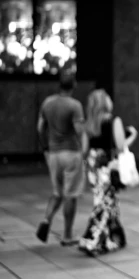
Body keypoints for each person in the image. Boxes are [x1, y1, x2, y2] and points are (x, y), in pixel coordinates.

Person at [78, 89, 137, 256]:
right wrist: (132, 135)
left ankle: (114, 237)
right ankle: (92, 240)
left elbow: (84, 149)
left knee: (106, 201)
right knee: (104, 204)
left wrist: (85, 167)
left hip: (93, 165)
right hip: (107, 166)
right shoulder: (113, 121)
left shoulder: (88, 123)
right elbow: (120, 147)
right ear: (105, 102)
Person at [35, 71, 86, 246]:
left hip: (53, 154)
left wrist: (45, 147)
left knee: (57, 192)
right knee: (70, 195)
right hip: (71, 153)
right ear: (74, 85)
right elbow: (79, 131)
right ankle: (67, 235)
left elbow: (40, 128)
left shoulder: (48, 103)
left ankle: (46, 219)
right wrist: (84, 151)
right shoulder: (74, 105)